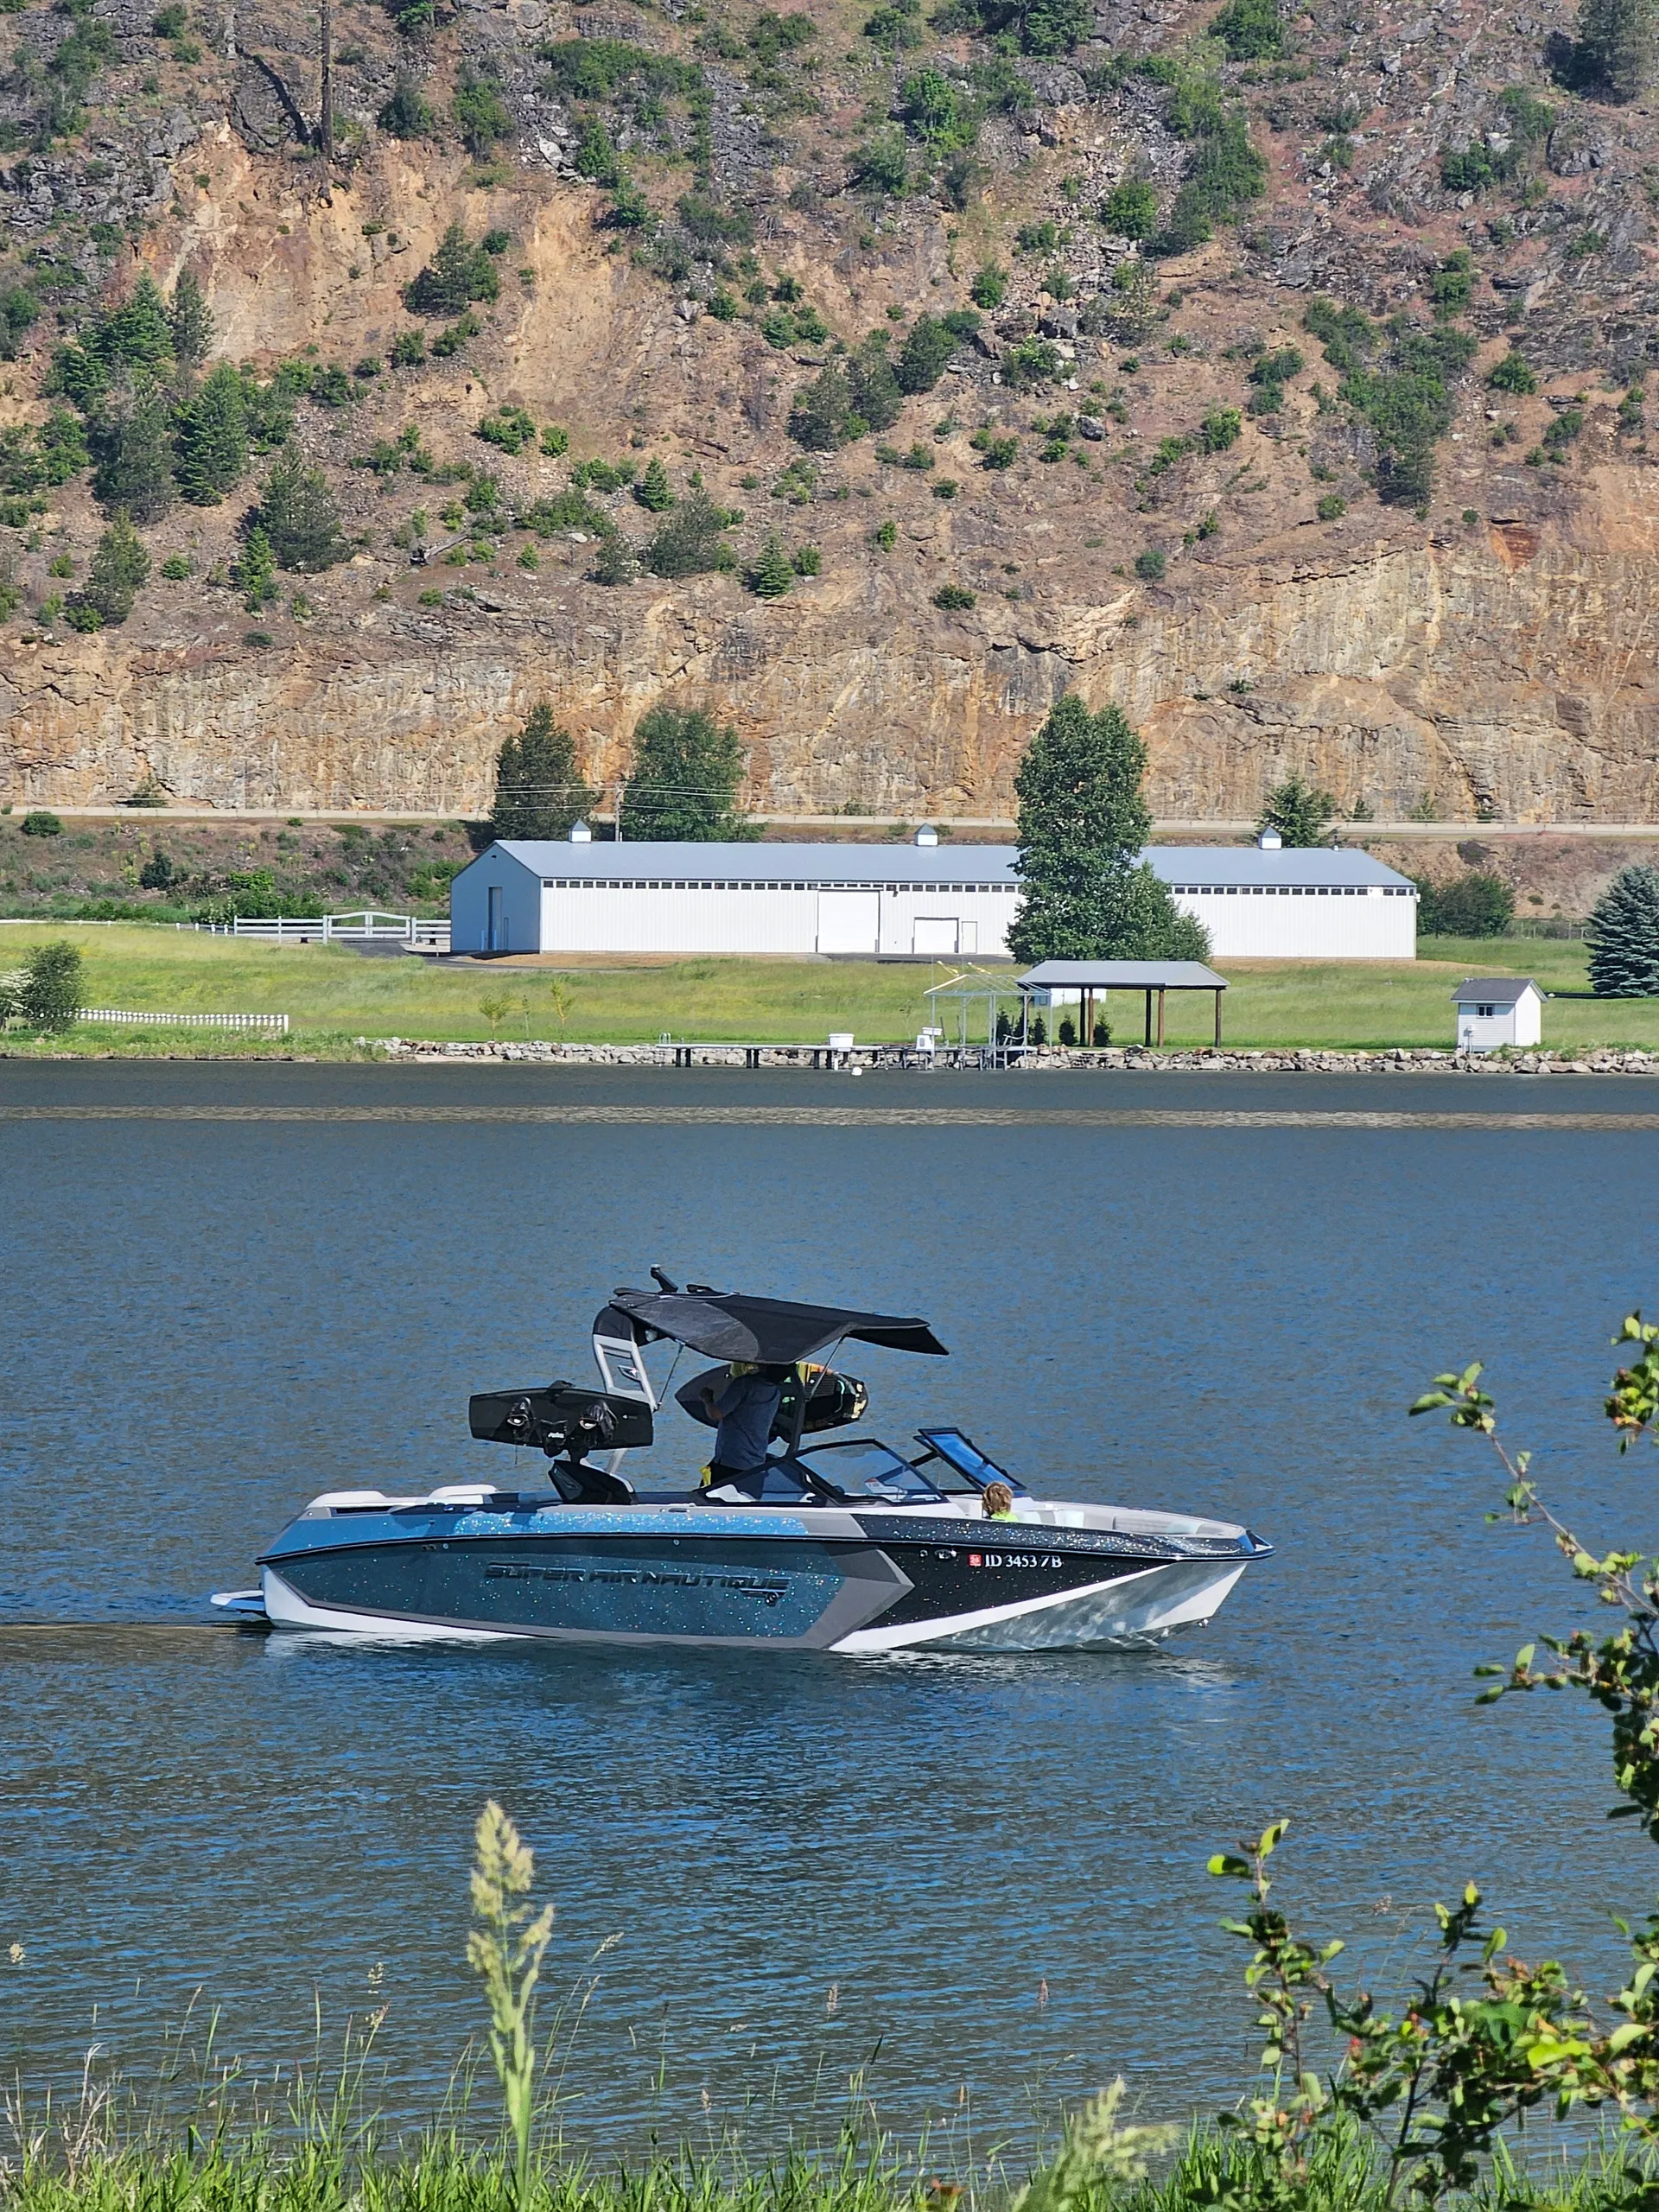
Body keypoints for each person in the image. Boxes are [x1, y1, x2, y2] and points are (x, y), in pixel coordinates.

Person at [700, 1361, 785, 1481]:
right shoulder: (776, 1391)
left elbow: (716, 1414)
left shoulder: (744, 1384)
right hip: (756, 1462)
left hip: (731, 1461)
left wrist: (707, 1399)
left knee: (714, 1497)